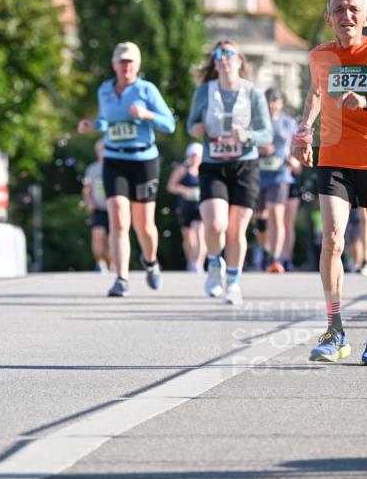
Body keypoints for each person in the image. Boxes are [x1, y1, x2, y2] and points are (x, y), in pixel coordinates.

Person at [293, 0, 367, 366]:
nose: (347, 15)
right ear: (328, 18)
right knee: (332, 239)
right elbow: (314, 93)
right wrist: (304, 130)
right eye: (339, 9)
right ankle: (335, 329)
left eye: (354, 8)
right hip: (335, 158)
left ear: (366, 17)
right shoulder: (319, 56)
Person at [78, 41, 175, 297]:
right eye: (121, 61)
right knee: (119, 219)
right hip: (114, 160)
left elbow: (170, 124)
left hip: (144, 160)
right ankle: (121, 278)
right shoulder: (105, 91)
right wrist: (92, 124)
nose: (126, 66)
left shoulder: (147, 90)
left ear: (137, 65)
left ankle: (151, 262)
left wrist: (146, 115)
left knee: (144, 225)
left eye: (130, 61)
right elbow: (106, 121)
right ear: (114, 65)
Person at [187, 40, 273, 305]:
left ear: (239, 61)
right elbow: (191, 124)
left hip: (244, 166)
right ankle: (214, 264)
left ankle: (233, 283)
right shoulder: (204, 91)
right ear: (214, 62)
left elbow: (266, 134)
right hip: (214, 165)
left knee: (236, 230)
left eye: (229, 53)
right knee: (215, 224)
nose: (223, 58)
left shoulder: (253, 94)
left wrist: (245, 135)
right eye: (218, 54)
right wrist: (197, 130)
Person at [256, 88, 300, 273]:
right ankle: (266, 251)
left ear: (281, 103)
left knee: (276, 214)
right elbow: (246, 144)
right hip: (259, 174)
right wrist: (259, 149)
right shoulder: (257, 122)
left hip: (281, 174)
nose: (272, 103)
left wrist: (295, 160)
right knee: (260, 218)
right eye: (269, 100)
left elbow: (297, 147)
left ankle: (276, 258)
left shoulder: (289, 123)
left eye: (276, 100)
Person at [166, 142, 206, 272]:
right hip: (185, 207)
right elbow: (171, 186)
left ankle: (199, 262)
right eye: (192, 155)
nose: (194, 157)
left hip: (201, 207)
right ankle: (191, 262)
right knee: (188, 237)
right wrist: (184, 190)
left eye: (196, 155)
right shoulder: (182, 169)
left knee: (199, 231)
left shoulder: (205, 170)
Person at [82, 140, 112, 272]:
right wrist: (89, 201)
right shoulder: (92, 169)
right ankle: (100, 263)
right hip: (98, 208)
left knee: (111, 239)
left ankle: (112, 263)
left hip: (113, 208)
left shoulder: (115, 167)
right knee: (97, 236)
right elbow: (87, 189)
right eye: (101, 149)